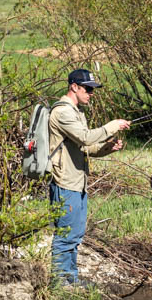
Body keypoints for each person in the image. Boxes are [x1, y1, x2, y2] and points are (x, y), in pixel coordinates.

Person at [48, 68, 131, 285]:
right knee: (65, 236)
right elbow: (85, 137)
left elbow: (86, 147)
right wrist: (112, 126)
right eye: (88, 89)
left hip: (78, 183)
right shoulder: (63, 112)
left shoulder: (76, 112)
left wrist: (107, 148)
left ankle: (70, 279)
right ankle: (60, 283)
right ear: (74, 87)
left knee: (75, 235)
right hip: (65, 182)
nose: (91, 94)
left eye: (93, 90)